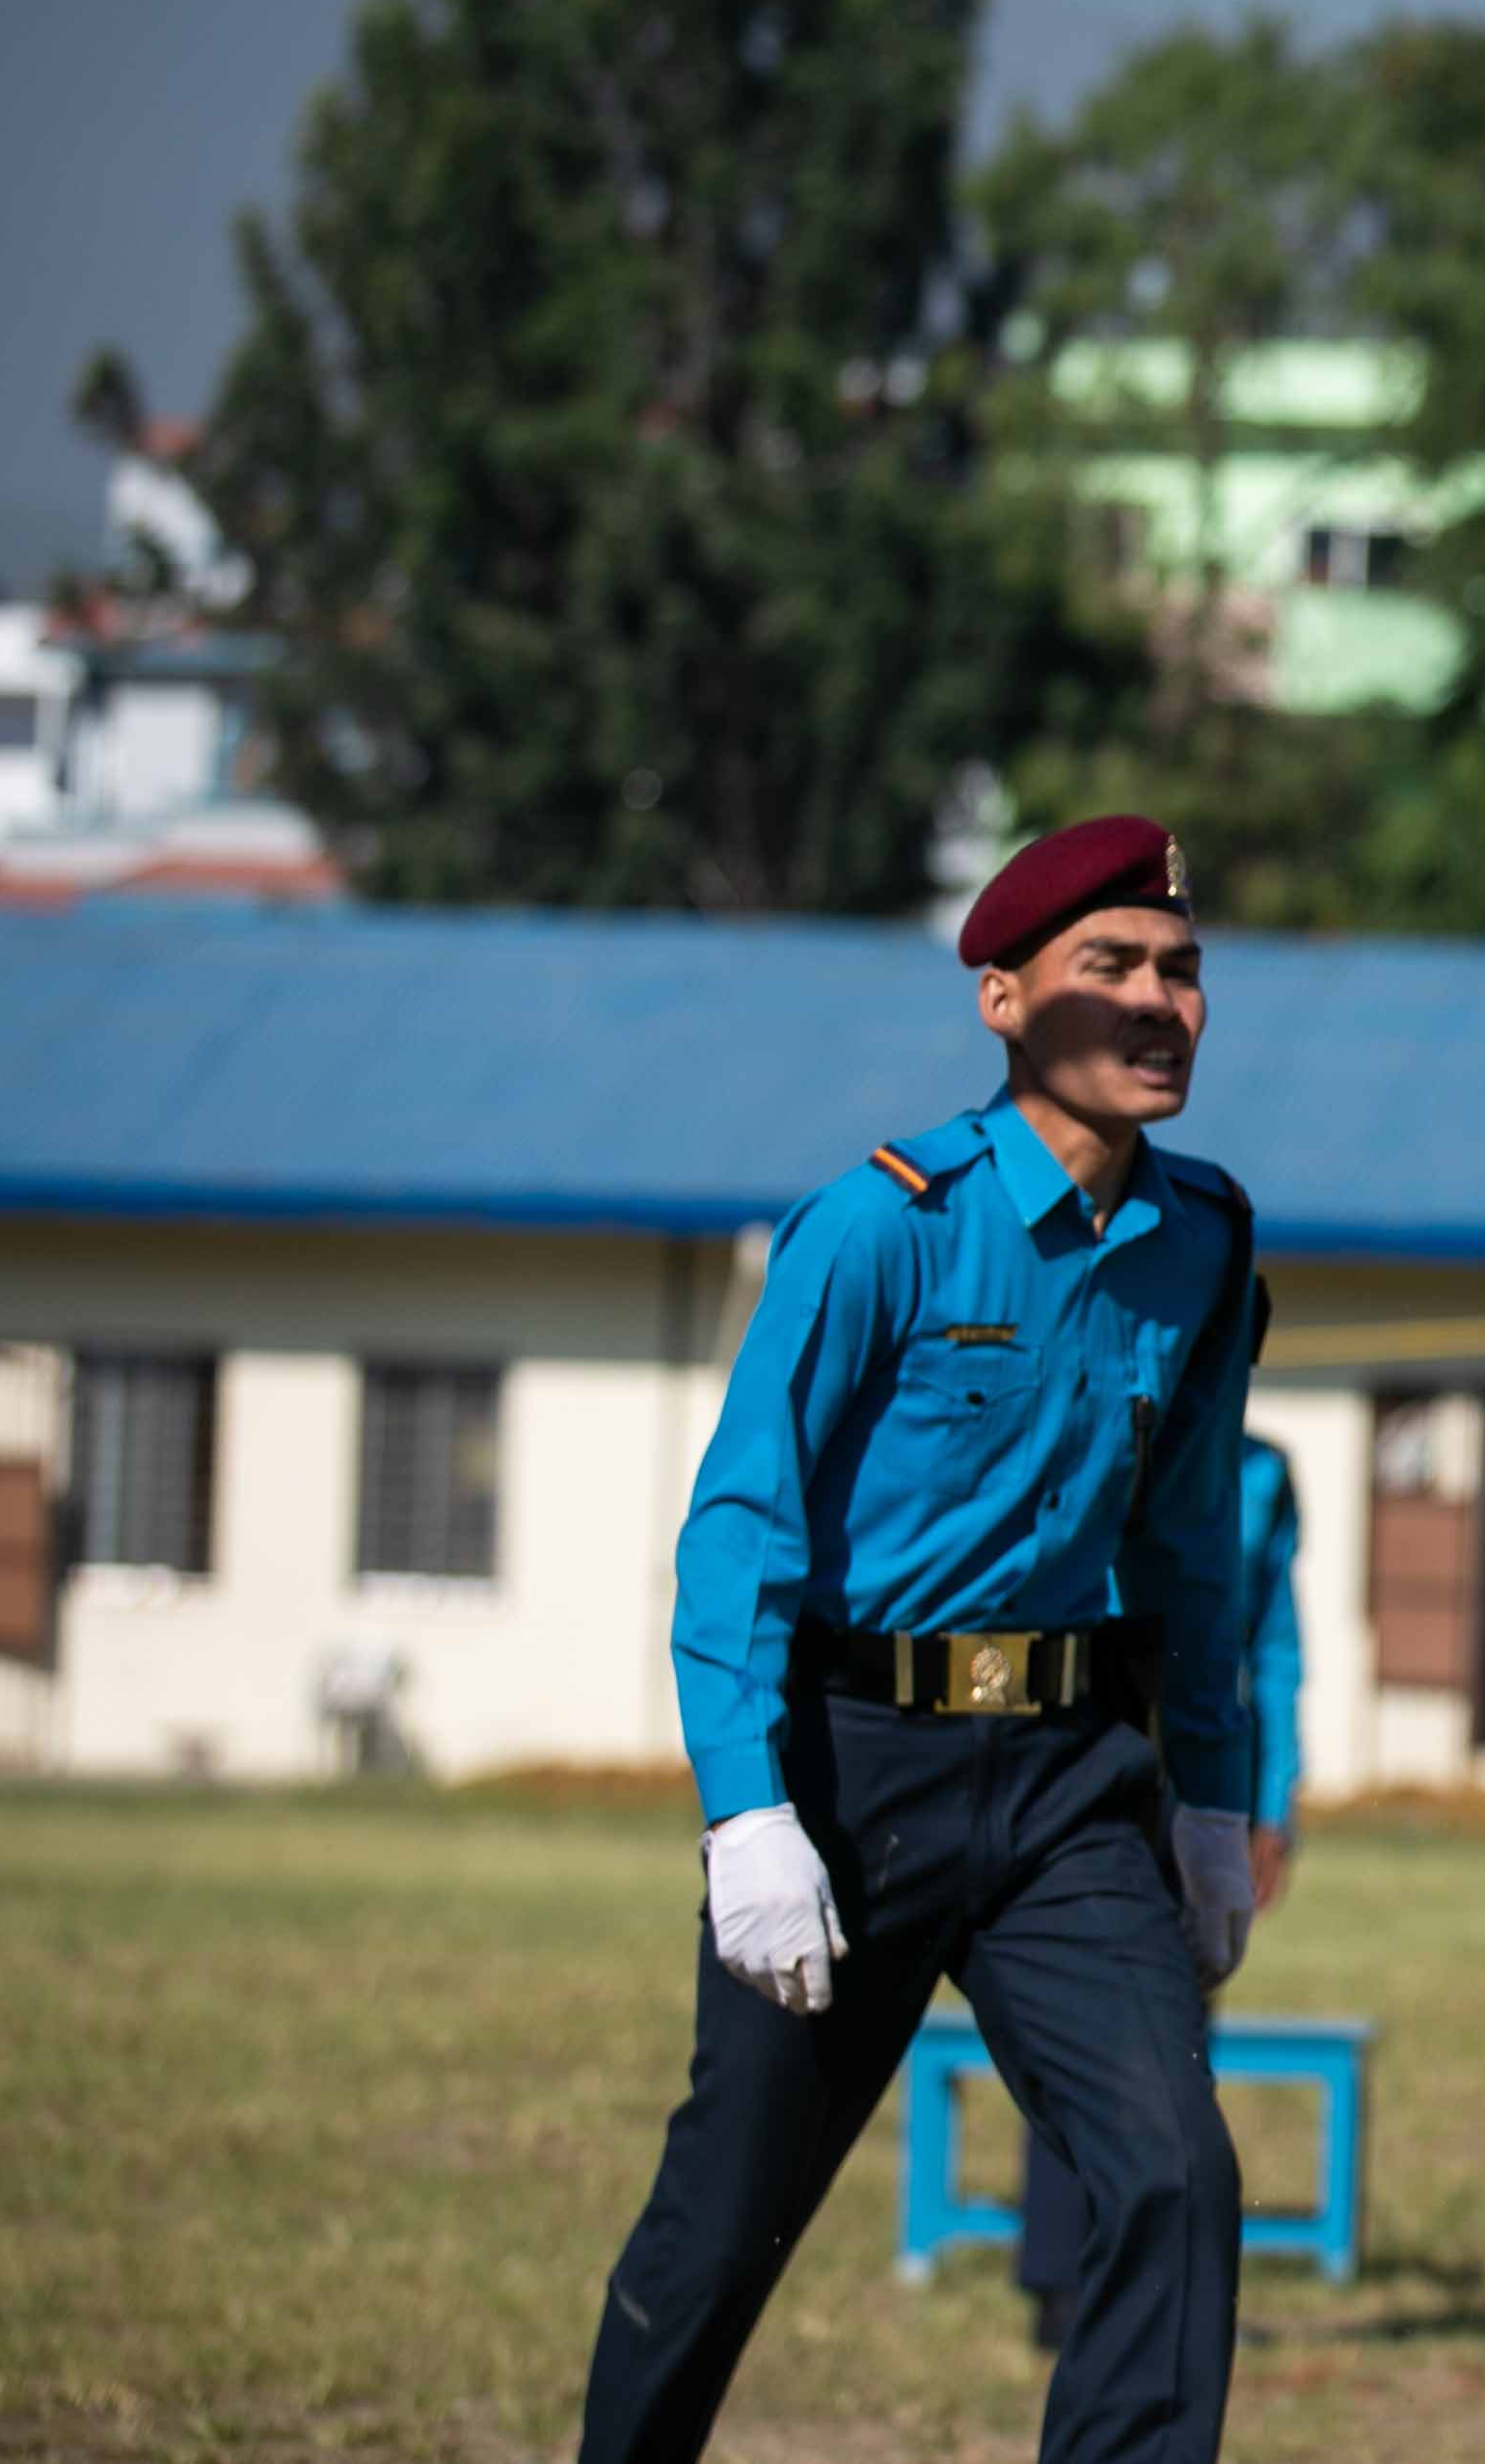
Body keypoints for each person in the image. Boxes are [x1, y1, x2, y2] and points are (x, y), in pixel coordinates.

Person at [580, 815, 1265, 2464]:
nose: (1158, 1003)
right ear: (1004, 999)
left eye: (1181, 970)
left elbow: (1187, 1540)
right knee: (723, 2224)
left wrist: (1210, 1798)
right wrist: (746, 1809)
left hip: (1065, 1786)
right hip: (847, 1776)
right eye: (1111, 967)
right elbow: (742, 1528)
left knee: (1176, 2174)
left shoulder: (1206, 1240)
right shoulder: (880, 1223)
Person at [1019, 1428, 1304, 2348]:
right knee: (1077, 2020)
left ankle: (1168, 2293)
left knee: (1179, 2030)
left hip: (1205, 1773)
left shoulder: (1263, 1473)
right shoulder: (1096, 1429)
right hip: (1084, 1751)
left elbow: (1274, 1648)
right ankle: (1063, 2283)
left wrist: (1269, 1805)